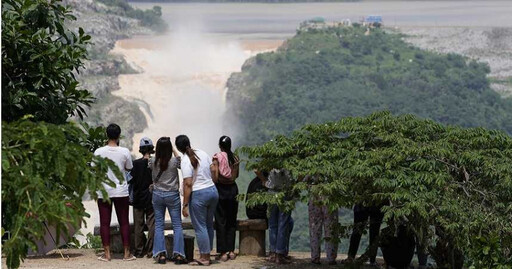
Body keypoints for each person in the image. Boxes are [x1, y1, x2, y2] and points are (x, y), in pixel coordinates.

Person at [94, 123, 135, 262]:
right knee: (124, 222)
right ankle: (126, 253)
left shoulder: (99, 151)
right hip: (121, 191)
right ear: (118, 136)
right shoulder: (124, 151)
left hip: (104, 191)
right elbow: (129, 167)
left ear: (106, 135)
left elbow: (94, 168)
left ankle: (107, 254)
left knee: (104, 223)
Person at [176, 135, 219, 266]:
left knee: (200, 227)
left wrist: (185, 204)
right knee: (208, 224)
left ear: (178, 148)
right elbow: (213, 169)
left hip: (199, 194)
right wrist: (212, 181)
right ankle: (207, 254)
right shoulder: (202, 153)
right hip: (212, 191)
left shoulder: (185, 160)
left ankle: (204, 258)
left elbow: (188, 184)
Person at [150, 137, 187, 264]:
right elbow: (181, 162)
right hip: (172, 195)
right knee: (177, 225)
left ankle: (161, 255)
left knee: (159, 225)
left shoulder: (152, 161)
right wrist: (173, 150)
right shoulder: (174, 162)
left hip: (157, 195)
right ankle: (179, 255)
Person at [255, 169, 294, 265]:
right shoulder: (289, 157)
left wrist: (264, 180)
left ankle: (272, 253)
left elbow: (256, 169)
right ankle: (279, 254)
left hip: (271, 193)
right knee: (283, 224)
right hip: (285, 193)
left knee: (273, 225)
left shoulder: (271, 156)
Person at [211, 136, 240, 262]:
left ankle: (222, 252)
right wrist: (229, 179)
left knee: (220, 220)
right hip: (233, 190)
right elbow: (235, 176)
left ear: (219, 145)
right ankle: (231, 251)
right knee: (231, 220)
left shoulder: (216, 157)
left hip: (220, 190)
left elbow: (216, 177)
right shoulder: (235, 157)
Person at [129, 137, 155, 258]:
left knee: (138, 226)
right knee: (152, 225)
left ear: (140, 150)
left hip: (138, 198)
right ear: (151, 149)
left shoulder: (135, 164)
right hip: (152, 198)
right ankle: (151, 251)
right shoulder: (155, 163)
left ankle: (139, 251)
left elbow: (130, 180)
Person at [308, 195, 338, 265]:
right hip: (329, 195)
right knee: (330, 228)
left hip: (314, 195)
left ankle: (315, 257)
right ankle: (331, 257)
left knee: (314, 229)